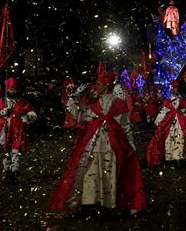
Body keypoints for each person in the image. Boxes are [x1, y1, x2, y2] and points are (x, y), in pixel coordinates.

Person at [48, 70, 146, 215]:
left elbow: (124, 125)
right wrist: (75, 100)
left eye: (99, 84)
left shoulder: (117, 103)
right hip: (93, 142)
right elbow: (82, 117)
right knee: (91, 170)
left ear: (106, 85)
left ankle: (107, 202)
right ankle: (89, 200)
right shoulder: (93, 102)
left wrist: (129, 143)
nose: (96, 87)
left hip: (110, 143)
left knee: (108, 170)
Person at [0, 77, 37, 186]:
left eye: (14, 89)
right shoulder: (1, 101)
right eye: (11, 89)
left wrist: (28, 117)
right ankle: (7, 173)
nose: (13, 91)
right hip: (4, 132)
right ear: (7, 89)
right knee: (6, 154)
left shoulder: (22, 101)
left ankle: (15, 174)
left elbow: (32, 112)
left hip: (18, 131)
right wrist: (2, 112)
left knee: (15, 153)